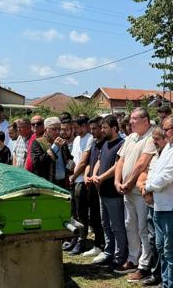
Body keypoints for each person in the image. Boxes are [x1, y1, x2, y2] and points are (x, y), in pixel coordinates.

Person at [145, 115, 173, 288]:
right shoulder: (169, 147)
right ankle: (166, 283)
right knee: (161, 250)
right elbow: (155, 170)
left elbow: (168, 175)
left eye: (167, 129)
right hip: (159, 205)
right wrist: (147, 187)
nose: (163, 133)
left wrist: (148, 187)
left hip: (172, 207)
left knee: (171, 253)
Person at [114, 108, 156, 280]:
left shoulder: (151, 137)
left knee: (143, 228)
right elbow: (120, 160)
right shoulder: (131, 137)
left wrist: (129, 183)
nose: (129, 122)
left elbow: (142, 163)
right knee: (129, 224)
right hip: (126, 190)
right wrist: (117, 181)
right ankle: (133, 258)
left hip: (139, 192)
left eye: (133, 119)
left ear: (145, 120)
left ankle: (144, 264)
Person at [91, 115, 127, 268]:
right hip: (102, 191)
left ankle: (119, 256)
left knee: (117, 226)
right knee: (105, 224)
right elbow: (99, 160)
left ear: (114, 128)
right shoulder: (105, 143)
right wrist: (94, 174)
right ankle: (109, 252)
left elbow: (117, 166)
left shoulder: (121, 144)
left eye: (105, 127)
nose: (103, 130)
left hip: (113, 192)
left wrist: (101, 177)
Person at [137, 126, 167, 286]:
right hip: (151, 206)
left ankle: (164, 276)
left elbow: (164, 180)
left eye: (156, 138)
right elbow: (145, 175)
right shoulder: (155, 156)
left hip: (164, 207)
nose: (153, 141)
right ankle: (156, 274)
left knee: (163, 245)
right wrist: (143, 187)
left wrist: (147, 190)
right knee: (153, 240)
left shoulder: (170, 156)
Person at [66, 116, 94, 255]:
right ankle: (74, 237)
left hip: (81, 180)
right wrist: (68, 172)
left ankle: (82, 240)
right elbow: (73, 159)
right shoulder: (77, 139)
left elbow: (83, 162)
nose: (75, 131)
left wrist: (73, 177)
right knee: (73, 212)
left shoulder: (90, 138)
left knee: (82, 213)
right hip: (73, 178)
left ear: (84, 125)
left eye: (76, 127)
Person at [80, 116, 106, 258]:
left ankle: (103, 246)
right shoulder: (94, 143)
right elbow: (90, 162)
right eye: (91, 129)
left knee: (103, 219)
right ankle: (97, 244)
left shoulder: (106, 143)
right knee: (94, 217)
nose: (92, 131)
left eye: (95, 128)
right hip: (91, 183)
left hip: (101, 185)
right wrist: (86, 175)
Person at [31, 117, 73, 187]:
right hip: (46, 184)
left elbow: (70, 159)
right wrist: (54, 148)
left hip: (63, 183)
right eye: (53, 129)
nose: (57, 132)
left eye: (59, 129)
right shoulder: (38, 143)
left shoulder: (62, 142)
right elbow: (37, 163)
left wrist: (70, 168)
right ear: (45, 130)